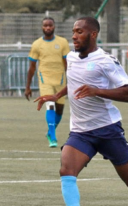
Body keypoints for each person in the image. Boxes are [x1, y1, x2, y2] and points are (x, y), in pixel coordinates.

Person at [34, 16, 128, 206]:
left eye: (79, 32)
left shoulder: (106, 60)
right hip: (80, 132)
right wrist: (56, 95)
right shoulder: (71, 57)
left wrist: (97, 91)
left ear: (93, 34)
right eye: (73, 32)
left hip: (107, 129)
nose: (74, 36)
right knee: (66, 171)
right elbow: (75, 82)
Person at [25, 17, 70, 148]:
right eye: (45, 25)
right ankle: (53, 136)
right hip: (45, 80)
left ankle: (50, 131)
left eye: (50, 25)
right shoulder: (37, 44)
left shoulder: (62, 42)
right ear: (42, 27)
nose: (48, 28)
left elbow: (67, 64)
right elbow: (32, 67)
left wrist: (72, 79)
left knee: (60, 110)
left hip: (60, 79)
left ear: (54, 27)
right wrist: (27, 87)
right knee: (50, 105)